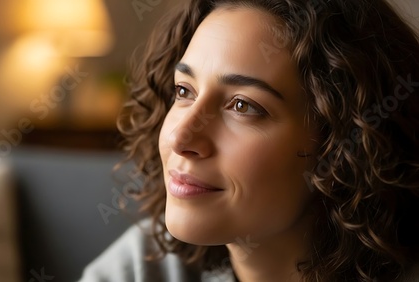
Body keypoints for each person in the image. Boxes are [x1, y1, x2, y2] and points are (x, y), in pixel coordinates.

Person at [80, 0, 419, 281]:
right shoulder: (146, 266)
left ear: (343, 143)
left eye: (242, 106)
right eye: (183, 91)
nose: (179, 137)